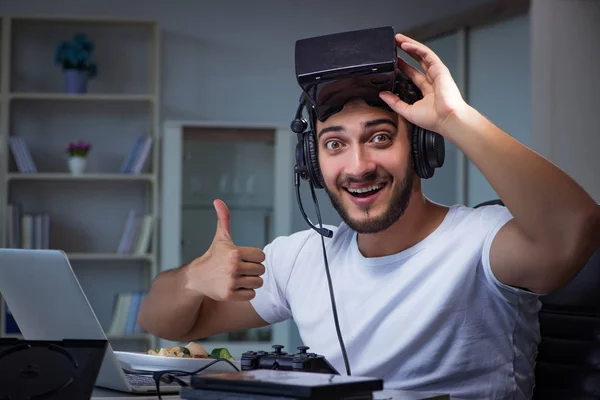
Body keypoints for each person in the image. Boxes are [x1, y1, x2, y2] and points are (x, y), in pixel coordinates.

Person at [138, 33, 600, 399]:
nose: (358, 166)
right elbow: (163, 321)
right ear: (312, 164)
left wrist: (455, 118)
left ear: (421, 148)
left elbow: (574, 230)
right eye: (334, 144)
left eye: (380, 137)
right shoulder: (302, 257)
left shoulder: (482, 242)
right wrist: (192, 279)